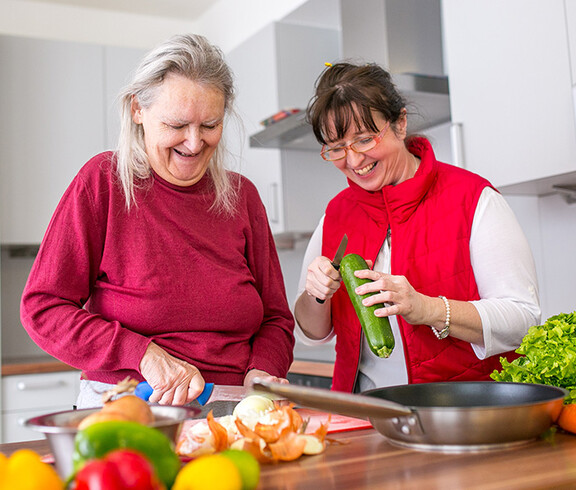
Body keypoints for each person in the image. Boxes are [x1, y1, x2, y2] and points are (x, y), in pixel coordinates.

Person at [20, 34, 295, 407]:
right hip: (129, 403)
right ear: (138, 110)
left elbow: (276, 318)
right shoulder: (103, 181)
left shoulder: (242, 196)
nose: (195, 143)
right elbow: (43, 307)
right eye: (177, 125)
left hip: (235, 407)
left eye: (210, 125)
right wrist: (143, 354)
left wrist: (263, 368)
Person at [294, 62, 540, 393]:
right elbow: (311, 333)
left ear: (400, 123)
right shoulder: (335, 215)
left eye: (365, 139)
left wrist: (428, 309)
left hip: (460, 413)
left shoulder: (473, 198)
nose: (352, 161)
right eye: (337, 148)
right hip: (365, 415)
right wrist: (316, 295)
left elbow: (523, 320)